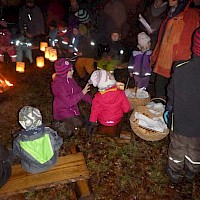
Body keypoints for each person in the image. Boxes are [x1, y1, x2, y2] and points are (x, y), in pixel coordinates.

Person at [164, 27, 200, 184]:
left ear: (194, 46)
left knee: (177, 147)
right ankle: (192, 170)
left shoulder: (180, 68)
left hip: (179, 120)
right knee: (195, 148)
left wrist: (169, 108)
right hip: (198, 126)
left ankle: (174, 170)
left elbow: (171, 92)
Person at [150, 0, 199, 99]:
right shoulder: (173, 12)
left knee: (171, 93)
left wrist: (179, 65)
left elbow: (187, 42)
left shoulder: (190, 15)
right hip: (164, 59)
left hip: (175, 62)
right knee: (160, 91)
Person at [12, 106, 63, 174]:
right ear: (40, 119)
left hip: (32, 168)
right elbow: (59, 142)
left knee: (24, 158)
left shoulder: (19, 140)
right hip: (52, 162)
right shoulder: (49, 132)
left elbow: (17, 153)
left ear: (22, 123)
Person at [51, 58, 92, 138]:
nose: (73, 71)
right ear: (63, 72)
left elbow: (78, 90)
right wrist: (82, 93)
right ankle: (60, 124)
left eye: (72, 69)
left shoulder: (70, 80)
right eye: (70, 70)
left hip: (72, 108)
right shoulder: (59, 85)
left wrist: (92, 101)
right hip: (62, 111)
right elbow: (69, 102)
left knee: (81, 122)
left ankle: (69, 125)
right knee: (78, 124)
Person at [87, 69, 130, 136]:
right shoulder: (120, 93)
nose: (112, 74)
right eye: (110, 75)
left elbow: (94, 111)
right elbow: (126, 109)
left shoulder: (97, 97)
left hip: (102, 120)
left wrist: (92, 122)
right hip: (116, 119)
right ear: (108, 80)